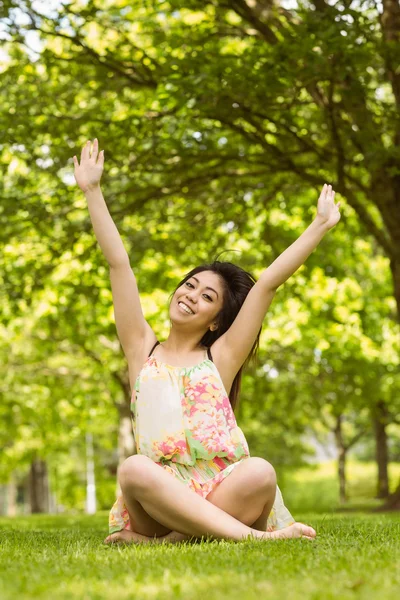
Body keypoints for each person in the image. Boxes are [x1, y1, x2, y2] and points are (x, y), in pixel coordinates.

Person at [73, 139, 341, 545]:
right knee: (132, 468)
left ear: (216, 321)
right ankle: (253, 539)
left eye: (206, 297)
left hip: (222, 491)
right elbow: (118, 263)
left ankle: (169, 545)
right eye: (190, 284)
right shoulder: (140, 349)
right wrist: (92, 190)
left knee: (261, 471)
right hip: (155, 500)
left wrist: (319, 225)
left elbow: (266, 284)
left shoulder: (221, 357)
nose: (190, 295)